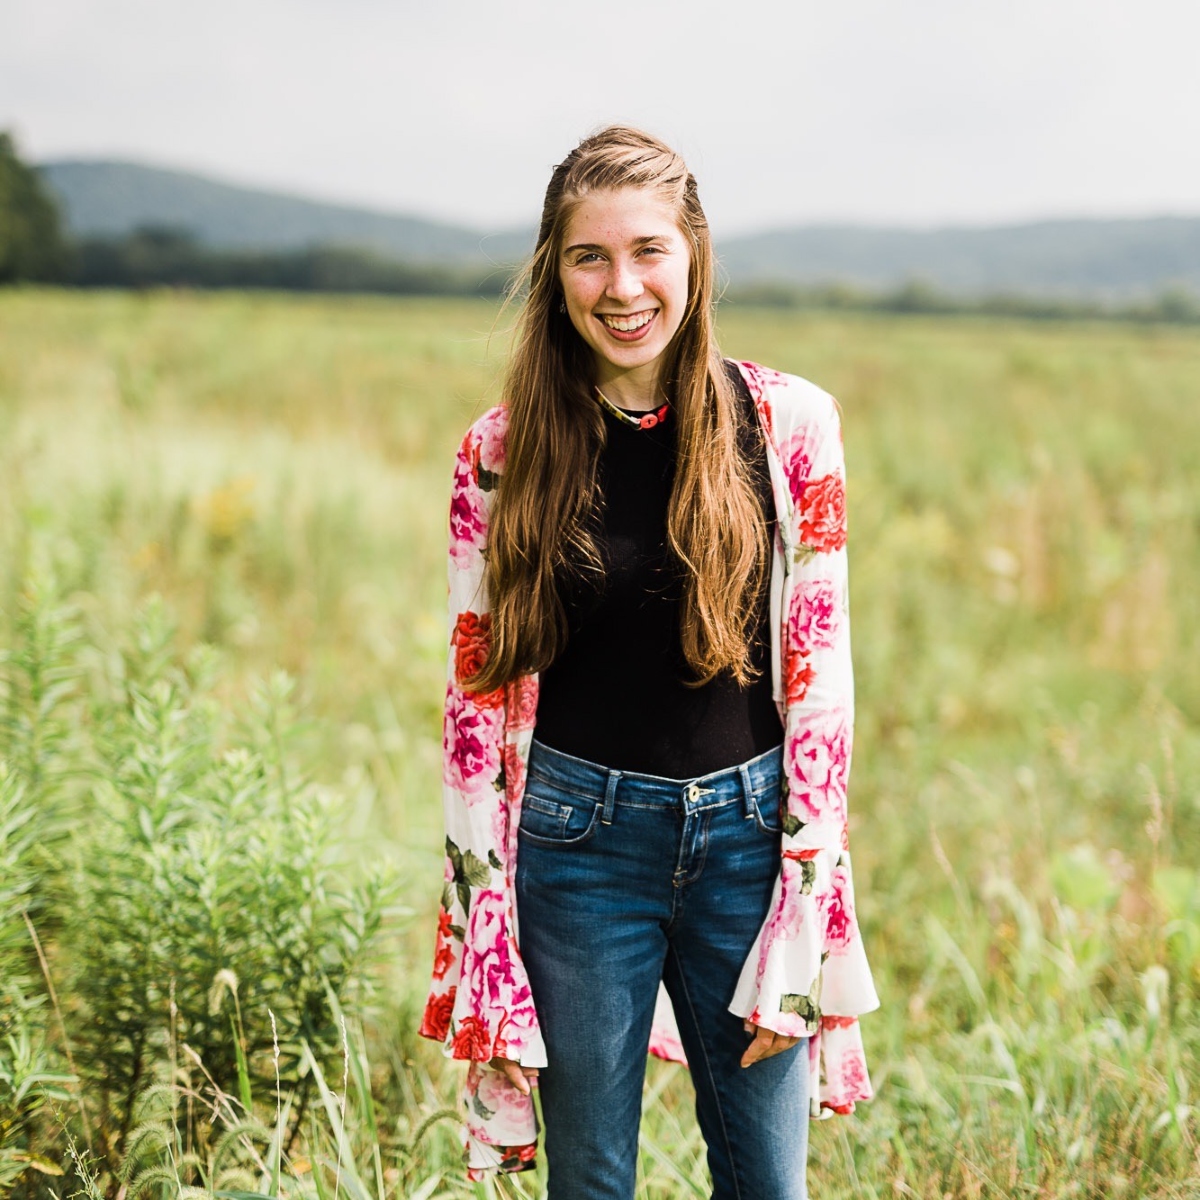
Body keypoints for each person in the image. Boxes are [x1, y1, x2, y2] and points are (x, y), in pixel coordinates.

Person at [420, 125, 878, 1199]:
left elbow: (823, 680)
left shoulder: (791, 426)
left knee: (767, 1181)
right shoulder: (499, 453)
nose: (622, 287)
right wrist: (485, 926)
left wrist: (804, 907)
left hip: (750, 846)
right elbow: (474, 703)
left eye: (647, 251)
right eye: (590, 257)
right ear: (556, 272)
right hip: (576, 851)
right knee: (590, 1179)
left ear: (694, 256)